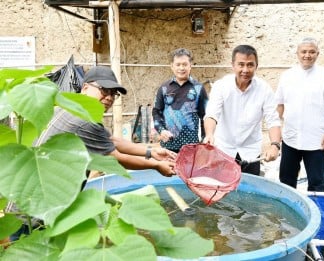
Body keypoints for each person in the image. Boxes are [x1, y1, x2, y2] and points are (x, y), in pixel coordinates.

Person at [8, 66, 177, 241]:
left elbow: (113, 141)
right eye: (104, 90)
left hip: (24, 201)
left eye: (113, 93)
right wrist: (156, 166)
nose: (109, 97)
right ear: (85, 87)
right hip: (36, 214)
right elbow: (116, 159)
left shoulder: (68, 109)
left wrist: (151, 151)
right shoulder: (85, 121)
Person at [275, 37, 324, 192]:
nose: (307, 55)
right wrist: (276, 131)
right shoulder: (287, 76)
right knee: (286, 181)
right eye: (304, 51)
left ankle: (317, 214)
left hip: (317, 141)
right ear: (297, 53)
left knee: (317, 183)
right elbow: (279, 104)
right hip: (291, 139)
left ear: (317, 54)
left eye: (312, 52)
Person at [203, 44, 281, 175]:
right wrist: (210, 134)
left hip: (251, 152)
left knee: (249, 191)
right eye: (241, 64)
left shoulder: (264, 89)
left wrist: (275, 145)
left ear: (256, 66)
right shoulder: (221, 86)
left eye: (250, 65)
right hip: (223, 150)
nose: (245, 69)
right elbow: (211, 114)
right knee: (220, 190)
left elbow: (273, 120)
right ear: (233, 65)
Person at [152, 48, 208, 153]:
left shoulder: (199, 88)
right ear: (172, 66)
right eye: (178, 64)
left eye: (184, 64)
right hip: (168, 146)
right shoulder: (164, 88)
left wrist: (205, 137)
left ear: (190, 65)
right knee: (169, 170)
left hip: (191, 147)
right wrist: (161, 130)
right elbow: (156, 113)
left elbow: (205, 115)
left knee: (188, 170)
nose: (181, 68)